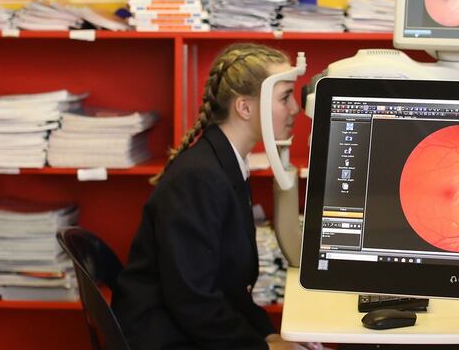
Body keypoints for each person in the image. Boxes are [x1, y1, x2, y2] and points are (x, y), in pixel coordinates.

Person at [113, 43, 315, 350]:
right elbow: (192, 299)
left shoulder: (228, 163)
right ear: (245, 108)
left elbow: (230, 288)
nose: (295, 109)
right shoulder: (200, 177)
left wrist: (267, 334)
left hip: (190, 325)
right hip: (165, 337)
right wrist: (261, 346)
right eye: (285, 97)